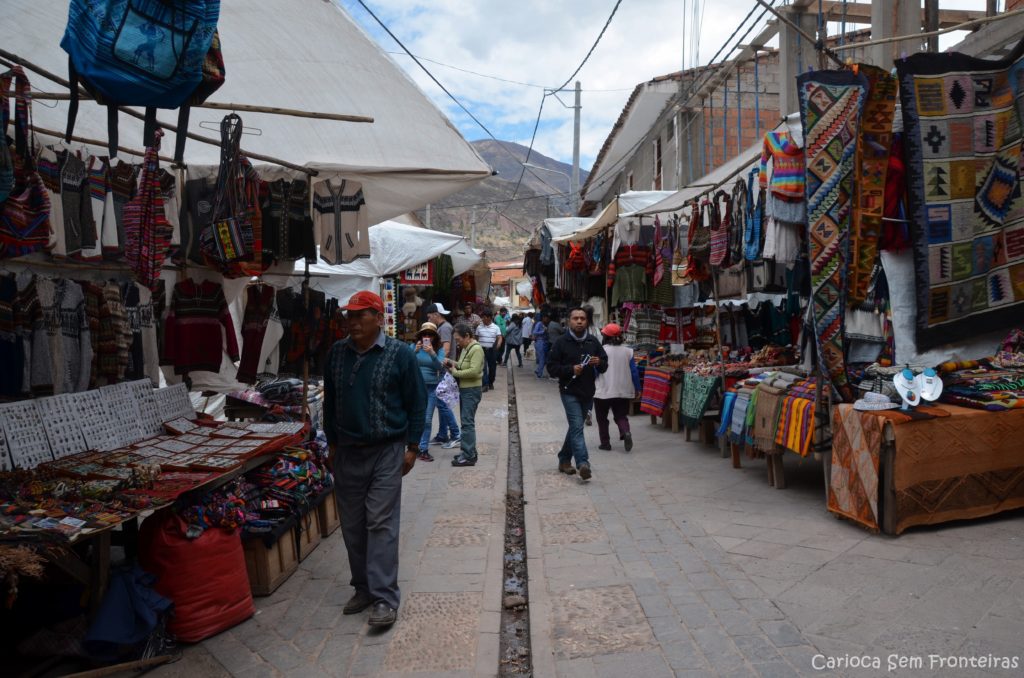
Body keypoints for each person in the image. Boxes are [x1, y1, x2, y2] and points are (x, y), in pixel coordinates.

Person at [323, 291, 426, 627]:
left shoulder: (400, 354)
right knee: (352, 525)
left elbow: (417, 401)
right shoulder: (337, 353)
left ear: (378, 318)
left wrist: (413, 446)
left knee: (380, 523)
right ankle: (363, 587)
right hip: (348, 452)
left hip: (386, 450)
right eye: (349, 316)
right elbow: (331, 402)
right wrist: (332, 443)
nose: (352, 322)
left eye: (360, 315)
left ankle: (384, 598)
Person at [546, 307, 608, 480]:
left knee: (576, 427)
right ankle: (583, 463)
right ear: (569, 321)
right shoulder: (561, 342)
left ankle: (564, 459)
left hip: (588, 392)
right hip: (569, 391)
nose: (579, 321)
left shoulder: (593, 342)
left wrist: (599, 362)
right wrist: (570, 369)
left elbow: (605, 365)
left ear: (587, 321)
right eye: (576, 318)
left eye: (582, 318)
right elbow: (551, 368)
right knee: (577, 426)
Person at [593, 323, 640, 452]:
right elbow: (634, 372)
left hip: (603, 391)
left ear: (605, 336)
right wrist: (638, 388)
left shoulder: (601, 350)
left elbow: (595, 371)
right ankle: (625, 431)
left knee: (602, 418)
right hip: (622, 390)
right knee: (621, 415)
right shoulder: (628, 351)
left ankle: (605, 444)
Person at [444, 323, 484, 467]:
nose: (458, 343)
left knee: (467, 423)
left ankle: (469, 455)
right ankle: (468, 451)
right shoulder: (467, 348)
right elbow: (461, 365)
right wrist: (450, 362)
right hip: (465, 389)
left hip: (472, 390)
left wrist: (456, 373)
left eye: (459, 339)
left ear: (467, 336)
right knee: (466, 422)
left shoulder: (476, 349)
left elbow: (474, 371)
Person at [424, 303, 460, 448]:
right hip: (443, 370)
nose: (429, 319)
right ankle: (442, 435)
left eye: (429, 316)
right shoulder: (443, 327)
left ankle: (456, 434)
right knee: (442, 402)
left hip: (443, 370)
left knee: (442, 404)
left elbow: (445, 350)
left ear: (436, 314)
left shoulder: (444, 328)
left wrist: (435, 362)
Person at [413, 322, 447, 462]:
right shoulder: (414, 347)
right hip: (415, 387)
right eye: (424, 334)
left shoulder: (439, 350)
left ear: (434, 337)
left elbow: (440, 366)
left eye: (430, 335)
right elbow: (406, 363)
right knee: (413, 418)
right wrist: (414, 351)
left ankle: (423, 449)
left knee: (427, 420)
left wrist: (432, 353)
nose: (427, 337)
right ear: (421, 336)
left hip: (432, 387)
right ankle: (413, 445)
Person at [475, 310, 502, 391]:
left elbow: (499, 337)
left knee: (492, 367)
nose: (483, 319)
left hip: (492, 350)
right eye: (482, 317)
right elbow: (476, 338)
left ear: (490, 318)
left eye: (484, 317)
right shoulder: (479, 327)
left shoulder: (496, 327)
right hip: (481, 349)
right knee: (483, 367)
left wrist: (498, 344)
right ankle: (485, 384)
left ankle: (490, 382)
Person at [532, 313, 549, 379]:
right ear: (543, 318)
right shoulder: (539, 323)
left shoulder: (544, 324)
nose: (547, 319)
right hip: (540, 342)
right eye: (546, 318)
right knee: (542, 358)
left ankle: (538, 370)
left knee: (544, 358)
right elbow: (535, 332)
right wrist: (543, 331)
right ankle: (539, 373)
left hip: (544, 342)